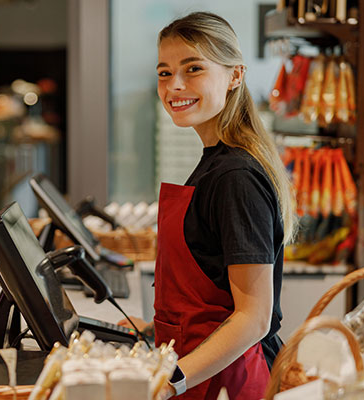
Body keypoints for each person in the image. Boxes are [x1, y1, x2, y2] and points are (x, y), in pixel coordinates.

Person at [119, 11, 297, 400]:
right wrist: (157, 329)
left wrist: (170, 380)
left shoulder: (235, 176)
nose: (174, 86)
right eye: (164, 72)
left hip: (231, 382)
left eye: (193, 68)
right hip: (201, 370)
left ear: (235, 75)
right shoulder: (215, 162)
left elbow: (253, 318)